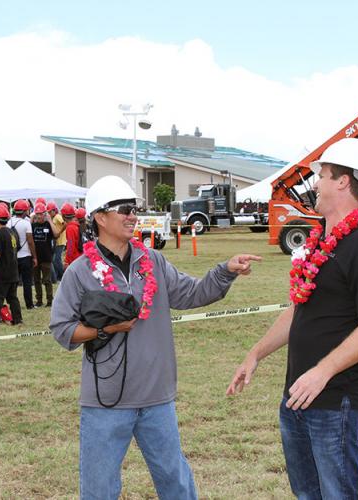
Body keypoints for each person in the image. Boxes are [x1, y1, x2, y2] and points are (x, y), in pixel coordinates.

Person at [50, 175, 260, 499]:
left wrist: (225, 271)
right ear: (100, 216)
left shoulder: (153, 261)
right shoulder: (80, 272)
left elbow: (192, 293)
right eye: (124, 209)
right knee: (98, 490)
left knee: (176, 483)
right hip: (105, 401)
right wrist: (106, 330)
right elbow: (62, 329)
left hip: (157, 399)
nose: (132, 215)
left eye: (135, 208)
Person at [226, 138, 358, 499]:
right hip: (297, 397)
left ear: (343, 181)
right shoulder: (321, 240)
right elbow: (300, 308)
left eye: (322, 174)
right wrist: (255, 354)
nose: (315, 183)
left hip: (338, 402)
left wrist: (323, 371)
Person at [7, 199, 38, 310]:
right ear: (25, 211)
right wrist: (34, 257)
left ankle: (12, 302)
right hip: (25, 256)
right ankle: (29, 304)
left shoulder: (9, 222)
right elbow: (30, 241)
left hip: (13, 256)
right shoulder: (26, 223)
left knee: (14, 281)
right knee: (27, 282)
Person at [31, 202, 58, 307]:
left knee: (47, 280)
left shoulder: (48, 225)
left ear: (45, 214)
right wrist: (31, 219)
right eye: (37, 214)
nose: (39, 216)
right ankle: (39, 300)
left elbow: (56, 234)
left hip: (46, 256)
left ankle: (50, 300)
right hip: (35, 257)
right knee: (36, 280)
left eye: (41, 214)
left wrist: (50, 220)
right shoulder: (33, 225)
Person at [48, 201, 67, 282]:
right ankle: (58, 276)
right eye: (48, 212)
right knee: (56, 259)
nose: (49, 213)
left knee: (57, 259)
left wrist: (59, 232)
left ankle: (63, 275)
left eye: (50, 211)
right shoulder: (53, 218)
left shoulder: (57, 216)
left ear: (54, 210)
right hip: (57, 241)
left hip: (61, 241)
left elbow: (65, 223)